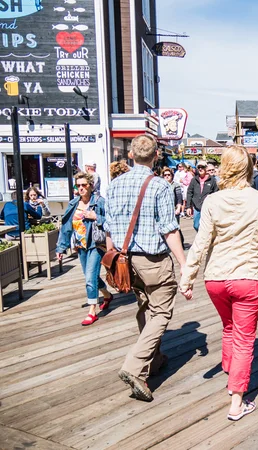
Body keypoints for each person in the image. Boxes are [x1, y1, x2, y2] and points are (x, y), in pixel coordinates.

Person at [179, 145, 258, 421]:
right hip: (248, 276)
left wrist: (187, 278)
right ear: (247, 168)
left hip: (216, 279)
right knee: (245, 340)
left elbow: (200, 244)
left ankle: (229, 370)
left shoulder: (212, 201)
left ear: (223, 168)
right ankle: (237, 401)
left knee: (228, 327)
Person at [105, 134, 187, 402]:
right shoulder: (160, 185)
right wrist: (184, 264)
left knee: (143, 307)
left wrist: (112, 257)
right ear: (156, 157)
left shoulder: (114, 185)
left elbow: (108, 228)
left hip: (124, 260)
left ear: (130, 155)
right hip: (152, 261)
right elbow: (169, 229)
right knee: (161, 312)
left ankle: (154, 360)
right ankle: (134, 367)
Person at [56, 172, 113, 325]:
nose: (80, 188)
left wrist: (96, 217)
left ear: (91, 186)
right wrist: (61, 248)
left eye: (84, 185)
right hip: (80, 246)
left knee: (89, 277)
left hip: (96, 244)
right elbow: (66, 227)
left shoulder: (100, 202)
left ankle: (92, 311)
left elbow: (112, 220)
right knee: (92, 276)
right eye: (78, 185)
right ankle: (107, 295)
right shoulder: (73, 204)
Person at [187, 160, 219, 232]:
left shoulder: (212, 180)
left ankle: (204, 239)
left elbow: (216, 193)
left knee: (207, 225)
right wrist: (188, 206)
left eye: (202, 167)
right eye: (199, 167)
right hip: (197, 207)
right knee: (196, 225)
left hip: (208, 207)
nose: (200, 169)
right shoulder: (194, 180)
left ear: (205, 168)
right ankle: (201, 236)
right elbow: (189, 192)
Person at [162, 167, 184, 245]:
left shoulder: (175, 185)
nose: (167, 176)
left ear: (172, 175)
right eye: (165, 175)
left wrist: (178, 208)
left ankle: (180, 243)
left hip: (174, 209)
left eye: (169, 175)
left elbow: (179, 198)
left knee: (176, 227)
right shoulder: (161, 185)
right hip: (164, 210)